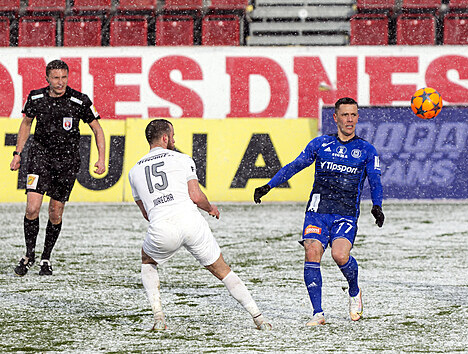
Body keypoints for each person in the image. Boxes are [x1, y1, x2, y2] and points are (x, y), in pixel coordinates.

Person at [128, 119, 272, 331]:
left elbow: (146, 212)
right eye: (173, 136)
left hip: (162, 227)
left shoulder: (134, 171)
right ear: (166, 138)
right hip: (191, 222)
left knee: (148, 260)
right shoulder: (182, 159)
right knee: (223, 271)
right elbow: (195, 196)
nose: (174, 140)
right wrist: (210, 208)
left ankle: (159, 317)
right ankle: (258, 317)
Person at [253, 97, 384, 326]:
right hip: (317, 211)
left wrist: (377, 205)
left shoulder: (366, 150)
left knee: (339, 255)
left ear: (357, 117)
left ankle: (354, 291)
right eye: (345, 115)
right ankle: (318, 313)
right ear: (335, 118)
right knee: (312, 251)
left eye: (353, 114)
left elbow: (375, 181)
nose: (349, 119)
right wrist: (268, 185)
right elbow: (294, 166)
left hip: (345, 213)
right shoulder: (320, 144)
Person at [10, 59, 106, 276]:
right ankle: (29, 254)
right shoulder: (35, 97)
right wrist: (18, 153)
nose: (60, 82)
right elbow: (26, 124)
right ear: (47, 78)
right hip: (39, 158)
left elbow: (98, 130)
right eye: (56, 78)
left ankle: (46, 257)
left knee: (55, 212)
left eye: (64, 77)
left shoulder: (79, 100)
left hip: (66, 163)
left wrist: (101, 158)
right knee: (32, 208)